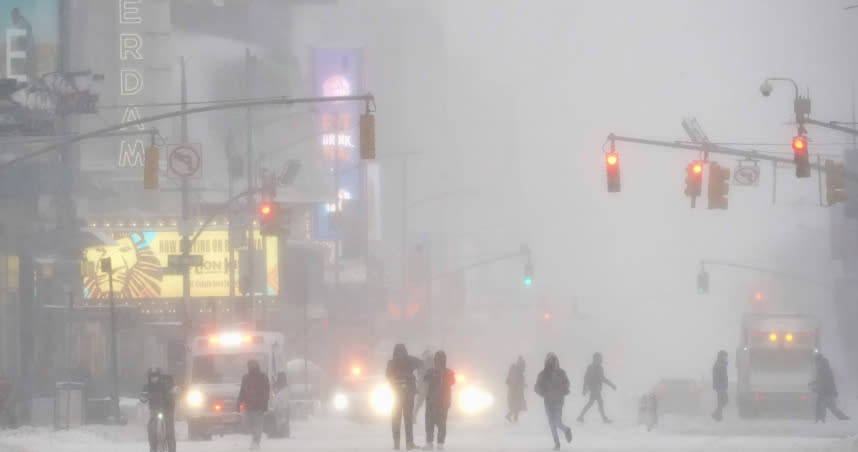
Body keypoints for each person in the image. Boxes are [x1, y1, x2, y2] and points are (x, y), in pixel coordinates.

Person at [386, 343, 422, 450]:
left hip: (396, 395)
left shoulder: (391, 363)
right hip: (408, 394)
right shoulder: (410, 360)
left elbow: (387, 375)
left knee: (396, 419)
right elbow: (421, 363)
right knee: (408, 419)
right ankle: (409, 443)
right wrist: (412, 375)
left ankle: (396, 444)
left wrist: (397, 378)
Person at [534, 353, 572, 451]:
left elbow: (567, 383)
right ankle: (557, 444)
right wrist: (542, 392)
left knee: (557, 421)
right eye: (549, 361)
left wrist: (564, 389)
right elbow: (537, 387)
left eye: (553, 360)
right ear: (546, 362)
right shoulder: (542, 374)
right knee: (551, 423)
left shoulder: (561, 373)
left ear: (556, 361)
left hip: (558, 401)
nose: (551, 363)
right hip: (548, 402)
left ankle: (566, 430)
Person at [423, 350, 455, 451]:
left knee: (438, 423)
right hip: (434, 401)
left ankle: (436, 443)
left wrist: (440, 374)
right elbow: (425, 379)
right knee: (433, 423)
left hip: (440, 401)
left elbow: (452, 382)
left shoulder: (448, 372)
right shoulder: (431, 371)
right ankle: (433, 443)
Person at [237, 360, 270, 450]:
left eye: (251, 365)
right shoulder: (246, 378)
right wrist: (238, 402)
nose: (250, 367)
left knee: (258, 426)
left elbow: (266, 392)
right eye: (249, 366)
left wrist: (265, 404)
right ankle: (254, 440)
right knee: (248, 425)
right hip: (248, 407)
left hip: (258, 407)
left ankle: (255, 442)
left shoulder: (263, 377)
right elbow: (242, 391)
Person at [140, 368, 176, 452]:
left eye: (155, 375)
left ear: (159, 376)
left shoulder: (165, 385)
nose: (153, 378)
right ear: (149, 377)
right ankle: (153, 448)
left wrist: (172, 393)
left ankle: (172, 449)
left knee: (169, 430)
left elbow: (173, 392)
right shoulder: (147, 387)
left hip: (167, 409)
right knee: (151, 428)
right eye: (152, 376)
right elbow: (143, 397)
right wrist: (143, 397)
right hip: (154, 410)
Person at [577, 352, 616, 424]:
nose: (601, 361)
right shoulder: (591, 367)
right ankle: (604, 418)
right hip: (594, 388)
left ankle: (581, 416)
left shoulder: (600, 368)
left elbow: (603, 378)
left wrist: (611, 385)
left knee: (591, 403)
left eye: (600, 359)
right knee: (599, 402)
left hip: (596, 388)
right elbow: (586, 378)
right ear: (596, 359)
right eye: (599, 359)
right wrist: (584, 388)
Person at [811, 353, 850, 423]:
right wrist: (814, 383)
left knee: (827, 407)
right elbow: (824, 380)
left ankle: (845, 420)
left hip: (826, 392)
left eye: (816, 361)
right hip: (826, 392)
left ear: (818, 360)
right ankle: (820, 421)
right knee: (825, 407)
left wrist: (817, 388)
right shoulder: (824, 368)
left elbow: (824, 381)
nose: (815, 363)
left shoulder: (822, 369)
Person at [413, 349, 434, 423]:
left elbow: (420, 374)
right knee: (427, 402)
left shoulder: (422, 363)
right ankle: (414, 416)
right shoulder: (431, 363)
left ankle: (414, 416)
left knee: (420, 402)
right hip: (427, 385)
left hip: (424, 385)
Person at [505, 356, 527, 423]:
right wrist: (521, 385)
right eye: (523, 366)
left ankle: (514, 419)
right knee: (517, 405)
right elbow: (515, 381)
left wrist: (523, 385)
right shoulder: (517, 371)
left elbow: (511, 380)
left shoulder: (516, 370)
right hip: (516, 391)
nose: (524, 368)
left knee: (517, 406)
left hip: (515, 391)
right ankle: (510, 417)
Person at [270, 372, 290, 438]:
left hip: (279, 406)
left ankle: (280, 433)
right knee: (283, 420)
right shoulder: (285, 387)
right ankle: (284, 433)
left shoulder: (279, 387)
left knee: (279, 420)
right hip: (284, 406)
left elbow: (276, 396)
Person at [711, 350, 728, 421]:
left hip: (722, 386)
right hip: (720, 386)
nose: (726, 358)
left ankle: (718, 415)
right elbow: (717, 376)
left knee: (722, 401)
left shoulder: (722, 364)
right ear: (721, 357)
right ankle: (717, 415)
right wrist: (719, 385)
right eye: (725, 356)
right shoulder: (719, 364)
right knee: (723, 401)